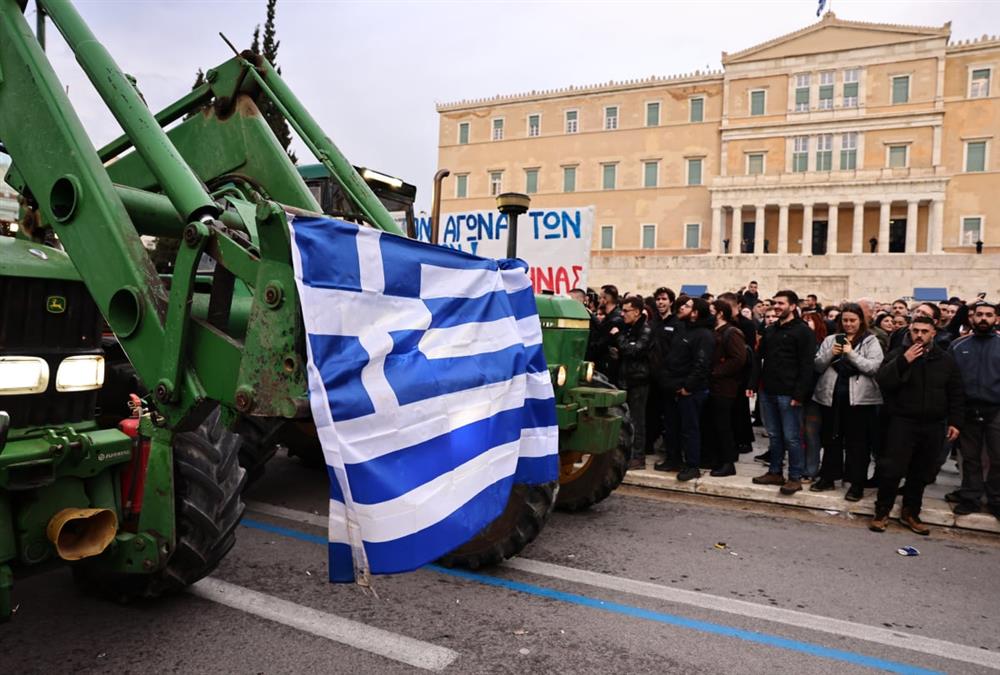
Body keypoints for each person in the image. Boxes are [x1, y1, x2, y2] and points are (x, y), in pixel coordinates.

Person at [871, 316, 965, 534]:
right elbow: (882, 381)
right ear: (910, 332)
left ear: (933, 333)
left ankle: (911, 513)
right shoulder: (897, 354)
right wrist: (905, 360)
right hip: (902, 422)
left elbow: (956, 392)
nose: (919, 335)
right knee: (892, 469)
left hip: (933, 425)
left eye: (924, 331)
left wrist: (955, 422)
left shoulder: (945, 359)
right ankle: (881, 512)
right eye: (916, 331)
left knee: (920, 472)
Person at [810, 304, 884, 500]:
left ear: (860, 321)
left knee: (857, 443)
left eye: (853, 320)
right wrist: (831, 353)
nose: (849, 324)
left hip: (859, 401)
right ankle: (828, 477)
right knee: (831, 439)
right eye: (845, 320)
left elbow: (873, 367)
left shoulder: (870, 341)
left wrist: (851, 353)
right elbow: (817, 365)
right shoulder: (830, 339)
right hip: (831, 397)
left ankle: (856, 483)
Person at [751, 290, 816, 495]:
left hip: (789, 394)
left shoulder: (803, 331)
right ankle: (775, 471)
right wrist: (753, 385)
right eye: (775, 303)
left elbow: (807, 366)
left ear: (792, 306)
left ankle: (795, 477)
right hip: (768, 391)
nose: (777, 306)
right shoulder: (771, 330)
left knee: (792, 437)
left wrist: (799, 395)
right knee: (774, 435)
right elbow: (759, 358)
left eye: (781, 303)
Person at [946, 302, 1000, 520]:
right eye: (979, 315)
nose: (983, 318)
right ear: (972, 318)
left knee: (998, 458)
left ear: (996, 319)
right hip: (967, 410)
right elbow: (950, 381)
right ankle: (970, 497)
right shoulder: (958, 346)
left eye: (988, 315)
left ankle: (996, 500)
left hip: (996, 409)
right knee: (970, 457)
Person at [656, 297, 714, 481]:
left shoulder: (704, 335)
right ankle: (673, 459)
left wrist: (688, 387)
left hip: (689, 391)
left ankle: (692, 465)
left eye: (687, 306)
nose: (682, 308)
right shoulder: (681, 329)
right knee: (671, 426)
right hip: (672, 387)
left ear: (695, 313)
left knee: (690, 429)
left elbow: (701, 365)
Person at [611, 296, 654, 470]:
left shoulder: (645, 330)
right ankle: (626, 454)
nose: (622, 314)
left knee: (637, 419)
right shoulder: (629, 328)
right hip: (627, 378)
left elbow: (633, 350)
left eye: (626, 311)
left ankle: (638, 456)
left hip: (638, 380)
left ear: (636, 312)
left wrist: (619, 338)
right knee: (626, 419)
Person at [707, 300, 747, 476]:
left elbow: (738, 359)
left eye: (711, 311)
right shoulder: (715, 332)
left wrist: (715, 372)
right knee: (715, 425)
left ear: (720, 313)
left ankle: (728, 463)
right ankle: (718, 459)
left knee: (724, 425)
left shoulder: (731, 333)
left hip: (725, 387)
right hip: (714, 387)